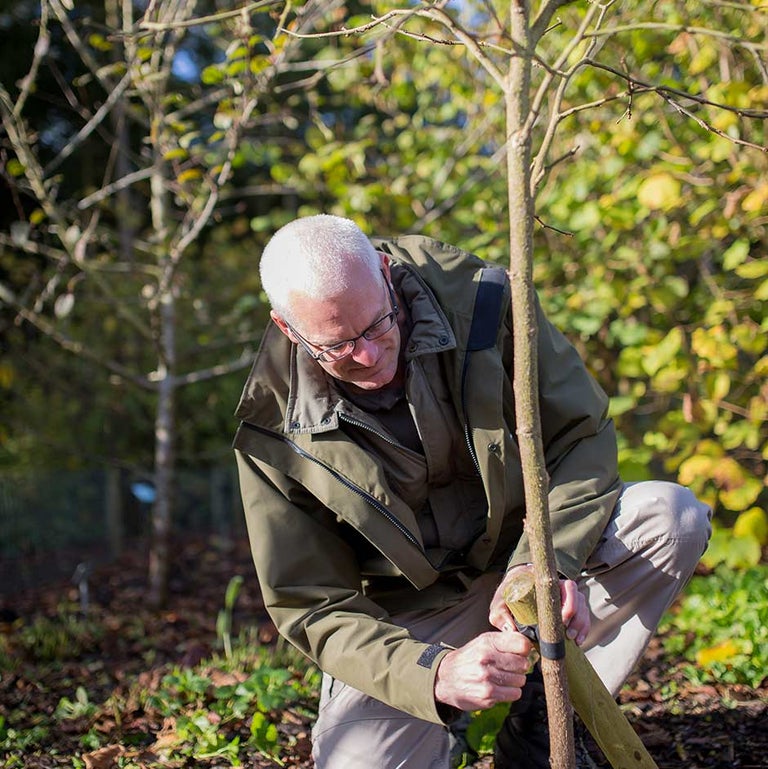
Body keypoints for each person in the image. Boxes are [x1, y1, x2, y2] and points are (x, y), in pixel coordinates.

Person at [233, 214, 711, 769]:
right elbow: (312, 604)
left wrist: (546, 561)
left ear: (387, 275)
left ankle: (550, 718)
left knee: (669, 518)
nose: (366, 356)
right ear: (288, 329)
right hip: (411, 617)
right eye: (338, 346)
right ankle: (450, 711)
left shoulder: (483, 302)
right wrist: (431, 673)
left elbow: (579, 436)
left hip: (525, 554)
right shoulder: (271, 429)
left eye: (378, 326)